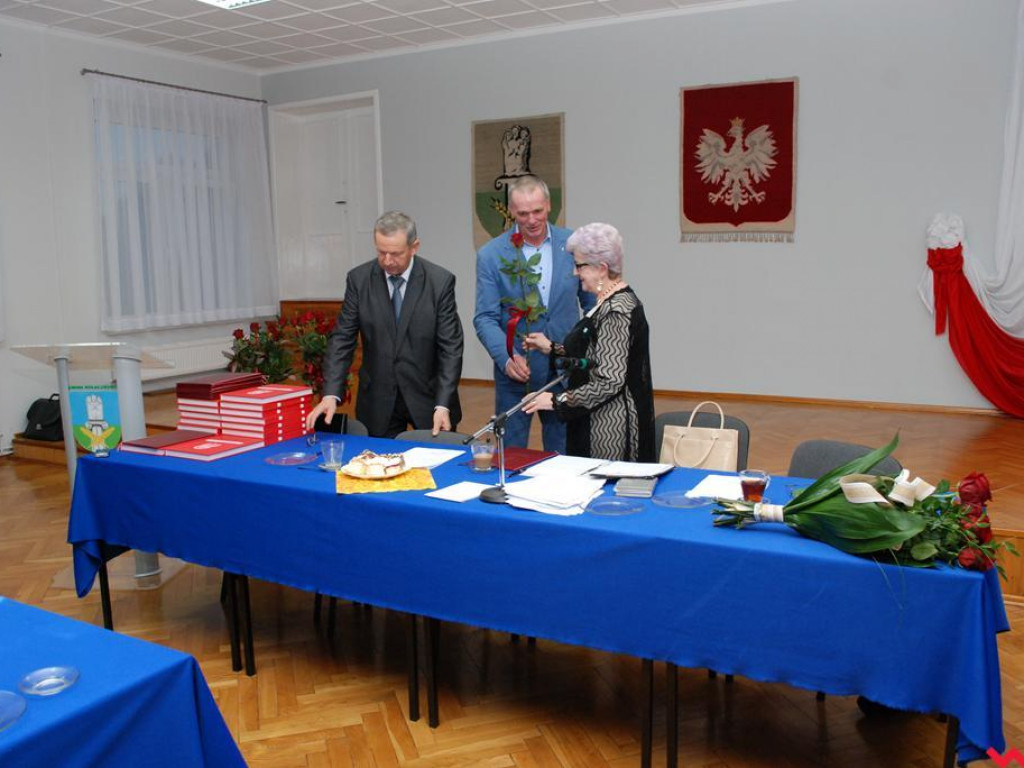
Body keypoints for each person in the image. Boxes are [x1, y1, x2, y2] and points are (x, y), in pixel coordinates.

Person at [305, 211, 463, 438]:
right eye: (381, 252)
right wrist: (331, 394)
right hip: (378, 399)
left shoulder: (439, 282)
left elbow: (451, 347)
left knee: (433, 468)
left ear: (414, 247)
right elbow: (342, 339)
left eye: (396, 253)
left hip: (428, 397)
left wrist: (443, 404)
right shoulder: (359, 280)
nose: (387, 261)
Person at [473, 176, 594, 452]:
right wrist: (506, 358)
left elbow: (591, 306)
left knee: (564, 452)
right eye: (523, 213)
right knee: (512, 454)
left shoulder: (574, 244)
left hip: (564, 370)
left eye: (537, 211)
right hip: (517, 371)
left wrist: (582, 351)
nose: (531, 220)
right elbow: (485, 317)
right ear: (512, 212)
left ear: (549, 206)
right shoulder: (491, 255)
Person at [522, 222, 655, 462]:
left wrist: (556, 400)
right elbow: (594, 355)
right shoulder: (605, 303)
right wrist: (551, 347)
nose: (575, 273)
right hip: (593, 419)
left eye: (579, 266)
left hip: (611, 430)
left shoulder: (617, 310)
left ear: (601, 268)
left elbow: (609, 381)